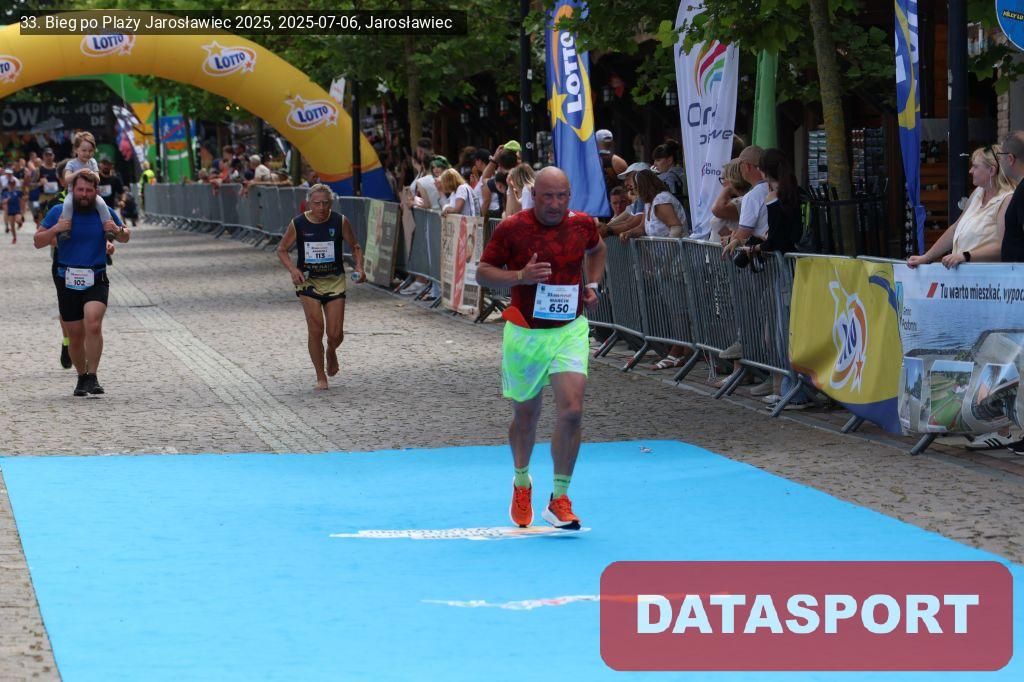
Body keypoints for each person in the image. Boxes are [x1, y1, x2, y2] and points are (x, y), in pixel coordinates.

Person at [476, 167, 607, 530]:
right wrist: (520, 276)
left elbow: (598, 249)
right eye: (547, 196)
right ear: (533, 196)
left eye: (561, 196)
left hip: (569, 330)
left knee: (572, 411)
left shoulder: (582, 224)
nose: (554, 204)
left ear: (570, 196)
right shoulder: (512, 228)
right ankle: (521, 482)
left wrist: (593, 284)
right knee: (526, 416)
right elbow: (483, 272)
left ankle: (560, 498)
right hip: (526, 334)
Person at [34, 170, 130, 396]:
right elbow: (38, 241)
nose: (84, 194)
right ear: (72, 190)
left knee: (93, 324)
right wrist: (56, 229)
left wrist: (117, 231)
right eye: (80, 190)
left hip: (96, 275)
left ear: (96, 191)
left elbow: (125, 236)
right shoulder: (59, 211)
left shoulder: (103, 211)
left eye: (88, 190)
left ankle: (93, 376)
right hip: (67, 278)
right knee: (76, 336)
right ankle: (81, 376)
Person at [276, 183, 365, 391]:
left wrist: (359, 267)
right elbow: (281, 249)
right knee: (316, 329)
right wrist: (293, 270)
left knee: (335, 333)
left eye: (326, 203)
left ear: (331, 203)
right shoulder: (298, 223)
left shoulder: (340, 221)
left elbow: (355, 246)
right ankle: (320, 375)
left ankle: (331, 350)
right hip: (308, 282)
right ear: (309, 203)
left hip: (334, 280)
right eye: (317, 203)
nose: (322, 208)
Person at [910, 145, 1015, 269]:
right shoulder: (978, 192)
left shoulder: (1007, 199)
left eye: (975, 166)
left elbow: (1005, 246)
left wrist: (966, 256)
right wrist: (927, 257)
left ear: (992, 170)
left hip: (988, 277)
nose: (970, 171)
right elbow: (955, 229)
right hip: (965, 277)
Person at [60, 132, 116, 234]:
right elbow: (67, 179)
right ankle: (65, 229)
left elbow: (98, 179)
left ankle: (108, 227)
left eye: (90, 151)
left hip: (91, 193)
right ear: (76, 150)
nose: (87, 153)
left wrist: (92, 174)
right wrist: (78, 172)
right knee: (67, 204)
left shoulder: (93, 162)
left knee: (102, 204)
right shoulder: (71, 163)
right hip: (73, 193)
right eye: (84, 150)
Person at [617, 169, 688, 240]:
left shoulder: (661, 200)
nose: (635, 192)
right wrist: (629, 233)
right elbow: (642, 228)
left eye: (635, 188)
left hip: (674, 247)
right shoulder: (648, 203)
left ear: (642, 187)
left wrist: (669, 246)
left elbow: (676, 228)